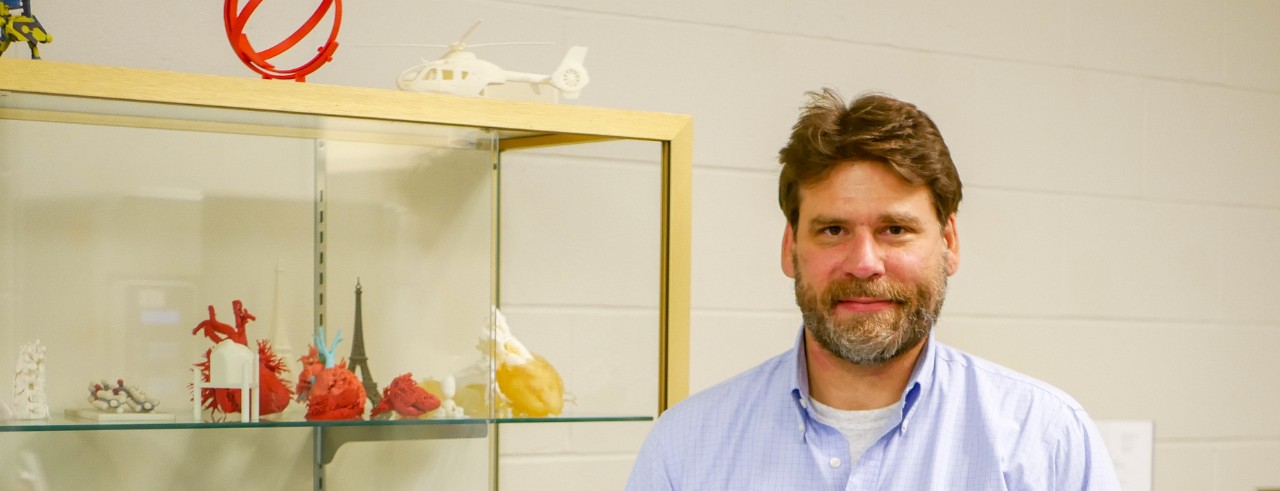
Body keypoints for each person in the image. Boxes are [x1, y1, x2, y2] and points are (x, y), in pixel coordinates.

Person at [626, 90, 1120, 490]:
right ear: (789, 248)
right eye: (833, 230)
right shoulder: (687, 446)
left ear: (948, 244)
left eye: (895, 229)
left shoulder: (1045, 438)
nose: (864, 264)